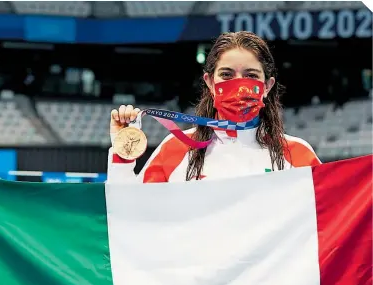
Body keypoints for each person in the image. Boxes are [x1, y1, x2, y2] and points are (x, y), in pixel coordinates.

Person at [107, 31, 321, 183]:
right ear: (210, 82)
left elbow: (330, 223)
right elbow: (129, 217)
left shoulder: (298, 155)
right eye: (227, 75)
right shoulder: (175, 149)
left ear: (267, 86)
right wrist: (122, 154)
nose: (238, 85)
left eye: (251, 76)